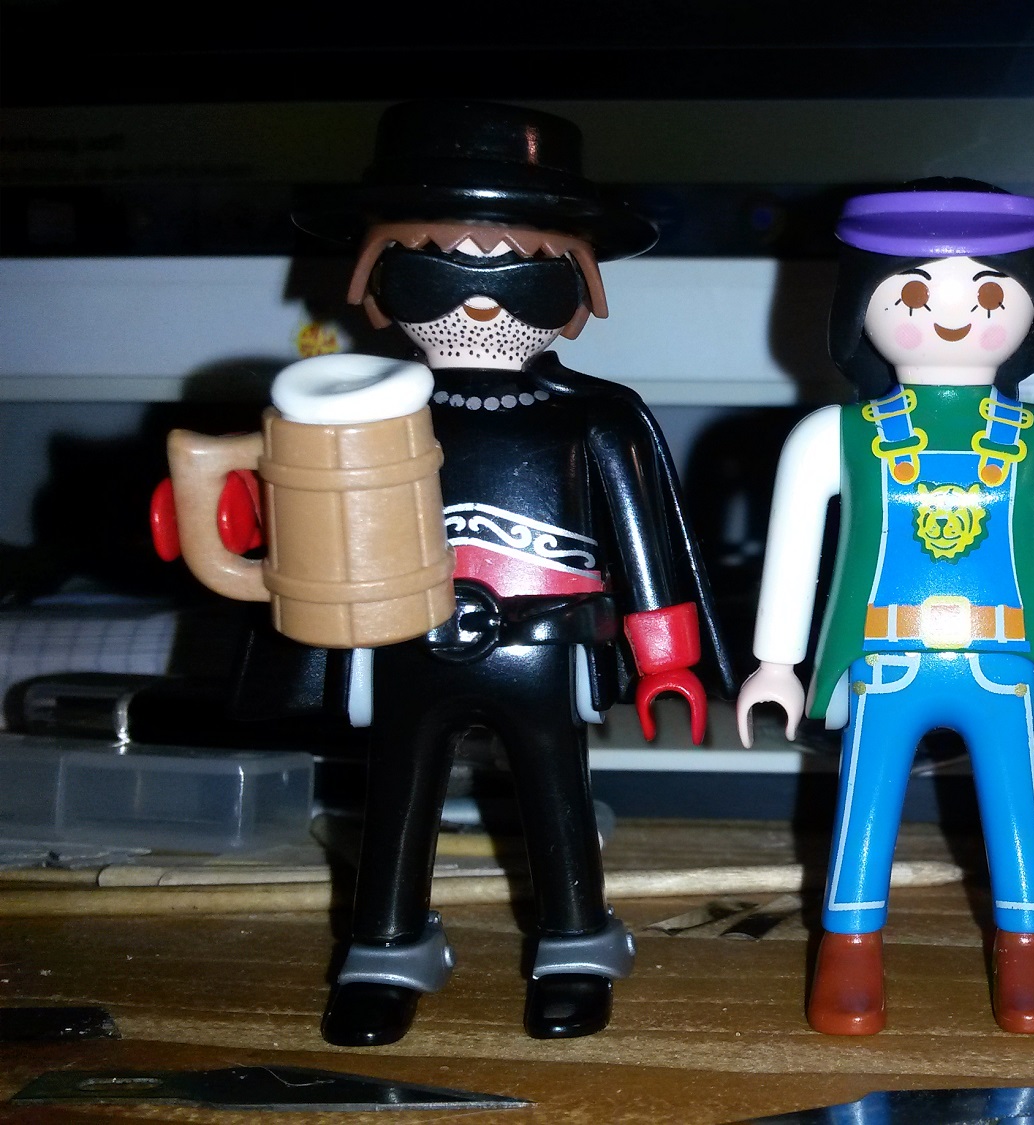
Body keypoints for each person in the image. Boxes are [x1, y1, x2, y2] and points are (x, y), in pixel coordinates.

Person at [290, 99, 730, 1046]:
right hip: (407, 634)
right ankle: (384, 949)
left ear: (574, 283)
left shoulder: (595, 414)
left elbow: (644, 538)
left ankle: (575, 944)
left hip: (545, 638)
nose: (482, 298)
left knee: (556, 793)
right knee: (395, 799)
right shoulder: (364, 410)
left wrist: (666, 655)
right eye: (443, 266)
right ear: (380, 275)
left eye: (520, 271)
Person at [737, 180, 1034, 1035]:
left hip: (1003, 660)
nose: (955, 315)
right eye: (916, 294)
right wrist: (776, 663)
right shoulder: (837, 436)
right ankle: (849, 948)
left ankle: (1030, 948)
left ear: (1033, 308)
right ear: (863, 306)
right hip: (884, 659)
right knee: (863, 806)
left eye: (990, 294)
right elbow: (793, 551)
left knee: (1016, 808)